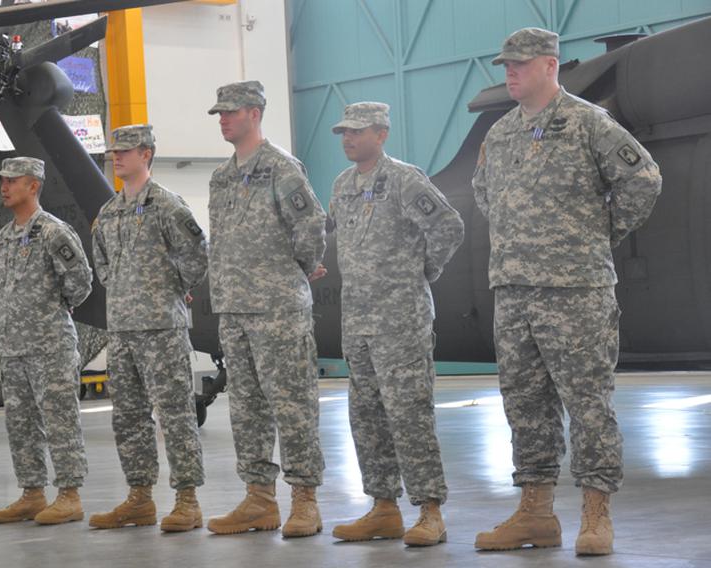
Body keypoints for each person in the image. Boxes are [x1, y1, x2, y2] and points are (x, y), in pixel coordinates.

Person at [472, 27, 662, 555]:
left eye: (520, 64)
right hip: (513, 290)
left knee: (587, 402)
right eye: (505, 64)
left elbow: (643, 180)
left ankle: (596, 512)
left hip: (575, 289)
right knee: (524, 404)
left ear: (551, 65)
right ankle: (535, 512)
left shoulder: (586, 122)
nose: (509, 71)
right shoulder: (502, 132)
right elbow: (487, 195)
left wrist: (595, 236)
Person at [328, 103, 464, 545]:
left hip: (401, 319)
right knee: (366, 417)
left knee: (409, 415)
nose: (348, 138)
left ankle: (430, 510)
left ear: (381, 133)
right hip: (358, 320)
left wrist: (422, 271)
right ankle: (383, 508)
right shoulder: (342, 185)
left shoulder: (405, 179)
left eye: (357, 131)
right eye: (344, 132)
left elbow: (449, 227)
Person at [204, 80, 328, 538]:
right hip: (234, 309)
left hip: (278, 308)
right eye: (219, 113)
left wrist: (297, 270)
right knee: (247, 408)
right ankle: (259, 499)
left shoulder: (281, 168)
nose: (224, 119)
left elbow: (311, 226)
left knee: (293, 405)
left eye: (231, 112)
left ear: (255, 112)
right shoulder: (221, 177)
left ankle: (304, 500)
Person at [87, 124, 209, 533]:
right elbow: (101, 264)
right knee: (129, 417)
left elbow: (196, 256)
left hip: (161, 329)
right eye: (114, 152)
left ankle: (187, 500)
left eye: (126, 151)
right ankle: (140, 498)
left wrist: (169, 286)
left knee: (174, 415)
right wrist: (127, 292)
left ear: (147, 154)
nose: (117, 157)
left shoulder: (168, 206)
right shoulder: (109, 211)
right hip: (121, 331)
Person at [0, 157, 93, 525]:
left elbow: (80, 283)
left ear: (33, 186)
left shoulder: (53, 232)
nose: (4, 186)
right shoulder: (5, 236)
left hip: (50, 347)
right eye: (2, 180)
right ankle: (32, 493)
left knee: (60, 420)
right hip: (13, 349)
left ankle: (69, 495)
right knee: (21, 424)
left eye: (12, 180)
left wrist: (49, 312)